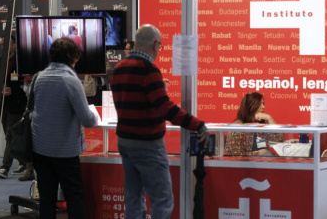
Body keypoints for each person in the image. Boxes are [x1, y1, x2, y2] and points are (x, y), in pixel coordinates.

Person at [110, 24, 209, 219]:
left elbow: (126, 102)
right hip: (147, 143)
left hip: (125, 141)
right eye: (161, 46)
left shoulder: (119, 68)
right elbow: (165, 108)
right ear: (155, 44)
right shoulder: (148, 70)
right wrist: (197, 124)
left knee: (133, 197)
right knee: (162, 199)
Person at [31, 38, 98, 219]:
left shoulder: (39, 77)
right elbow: (88, 119)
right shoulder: (71, 80)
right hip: (65, 151)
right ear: (73, 57)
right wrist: (95, 115)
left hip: (40, 148)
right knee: (74, 197)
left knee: (46, 199)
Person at [0, 36, 31, 180]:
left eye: (8, 43)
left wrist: (13, 90)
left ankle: (5, 167)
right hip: (2, 104)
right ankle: (24, 161)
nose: (4, 46)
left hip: (17, 104)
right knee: (10, 134)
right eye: (3, 44)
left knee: (10, 134)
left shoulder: (20, 63)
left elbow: (26, 85)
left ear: (14, 44)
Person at [224, 92, 284, 156]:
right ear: (250, 106)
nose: (263, 107)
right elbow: (234, 154)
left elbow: (279, 139)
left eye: (263, 103)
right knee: (268, 155)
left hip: (262, 160)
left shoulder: (261, 124)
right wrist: (257, 152)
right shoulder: (238, 127)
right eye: (259, 104)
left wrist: (269, 118)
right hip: (245, 164)